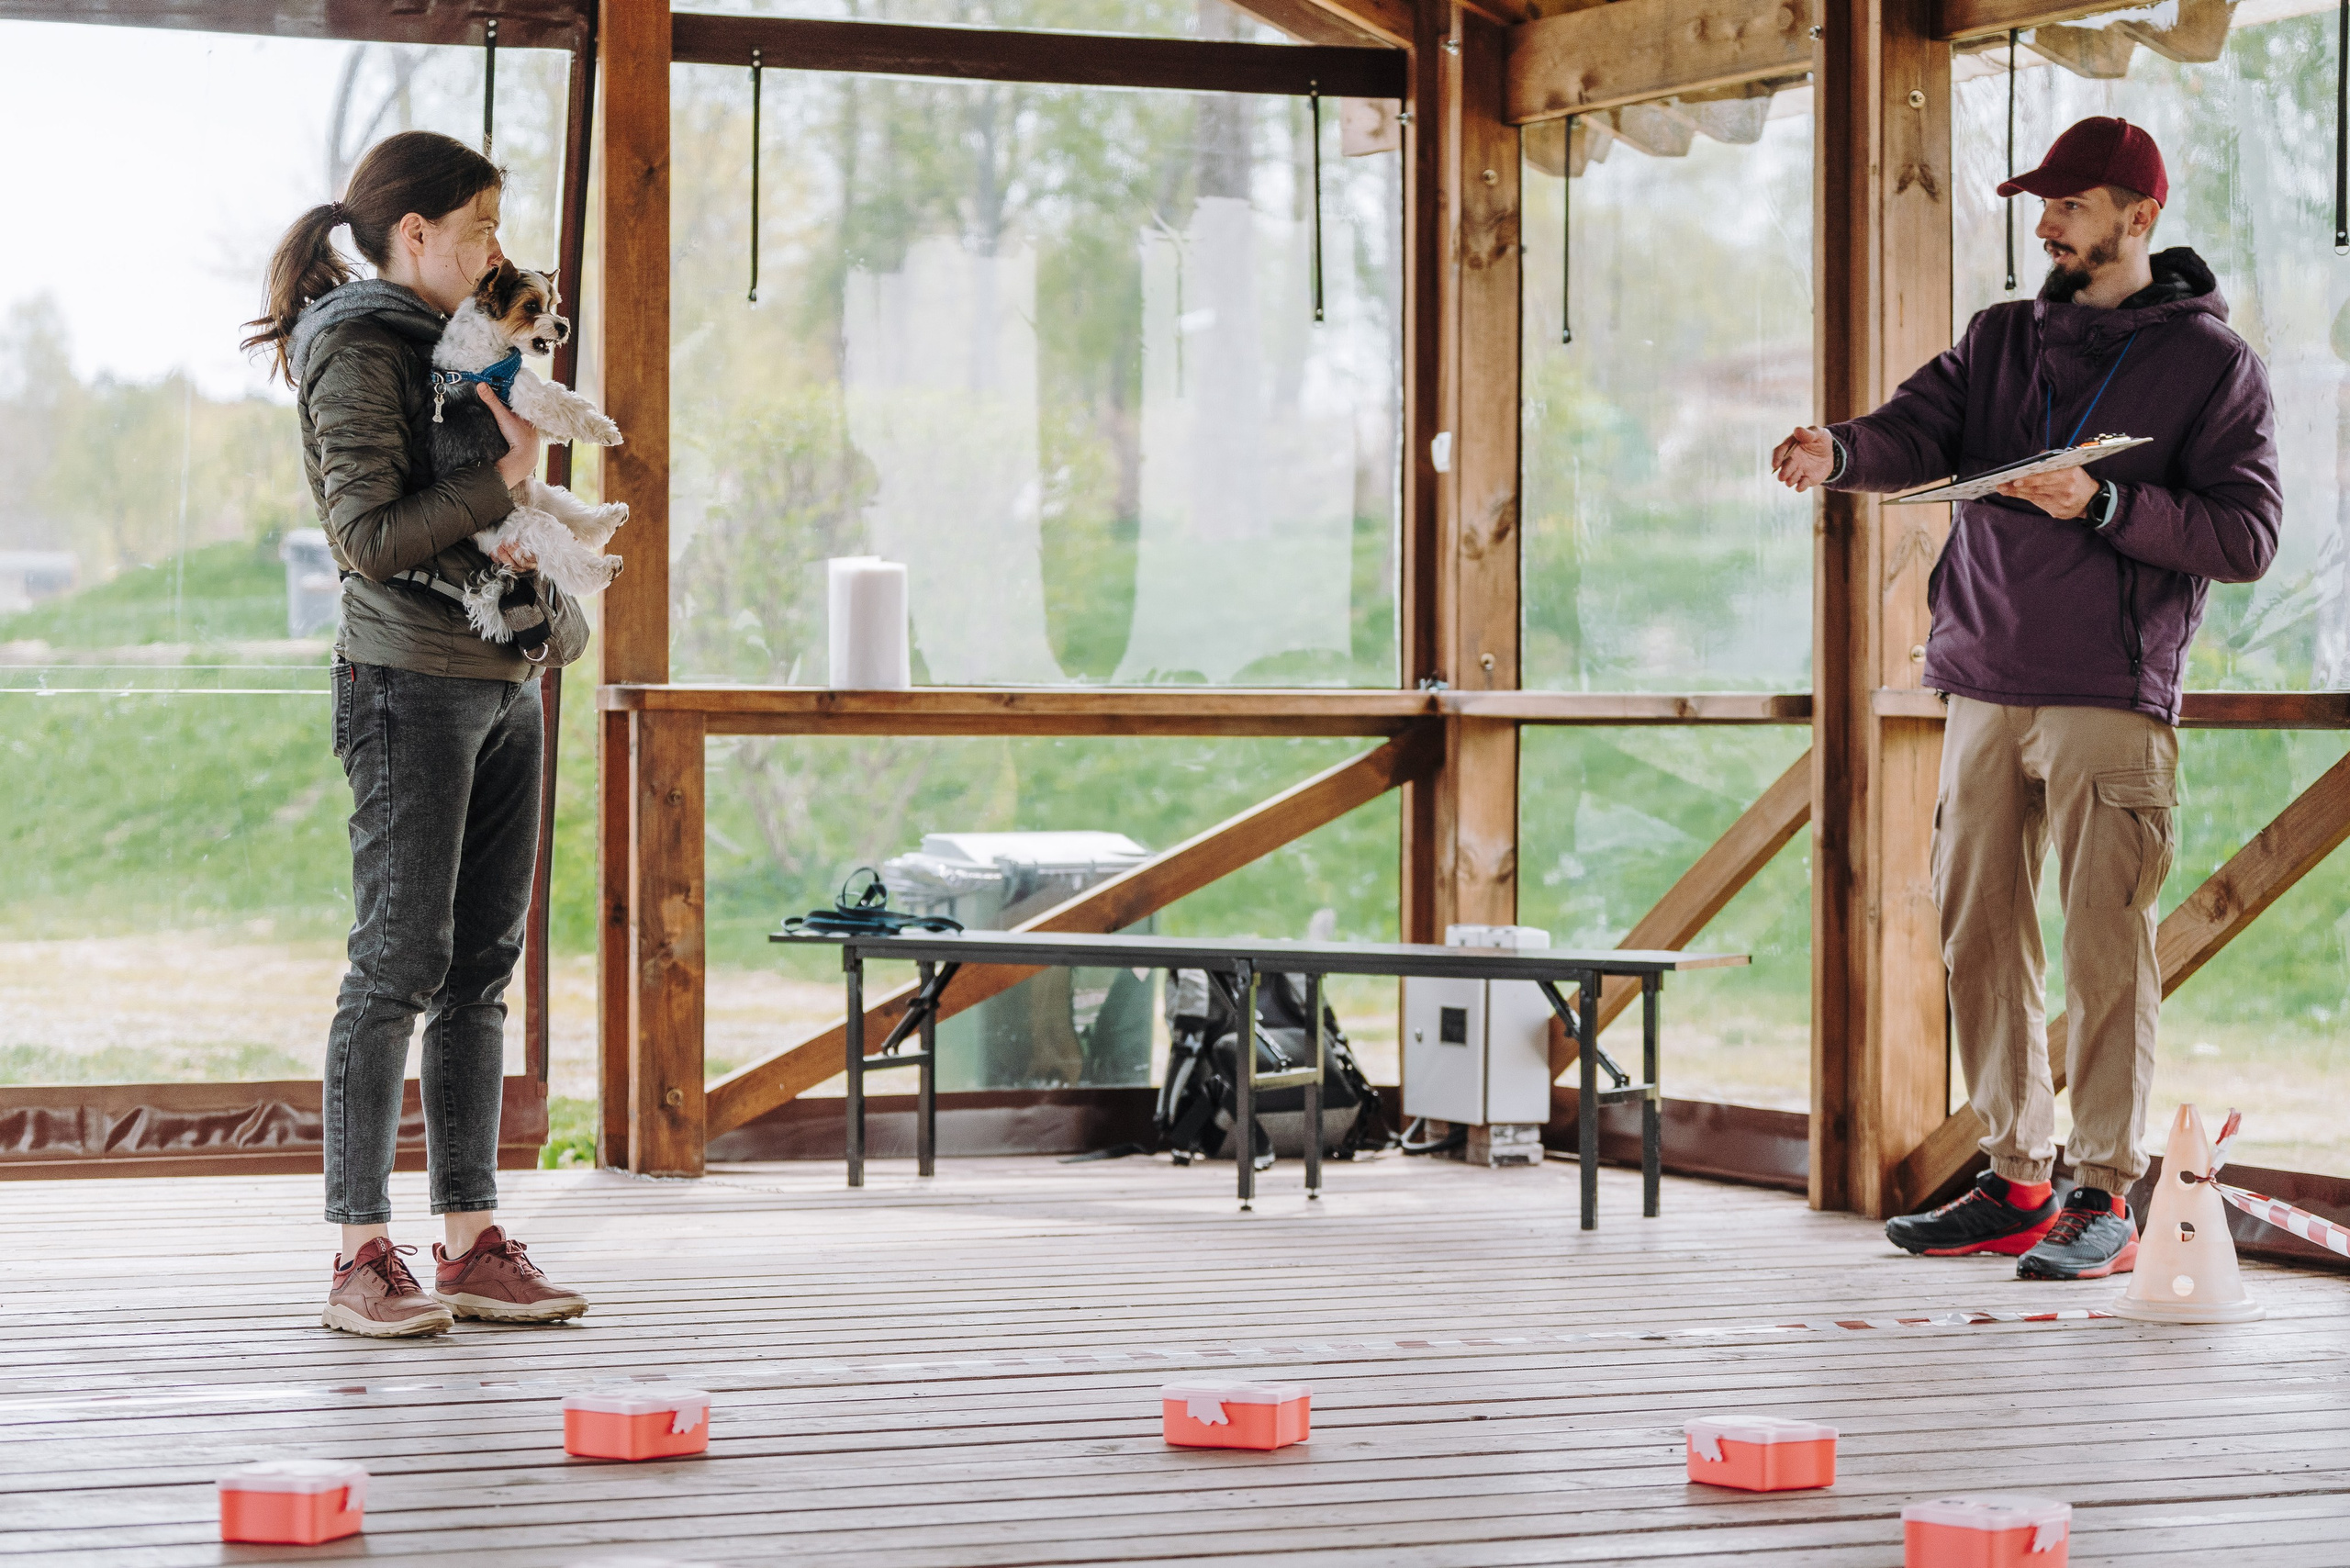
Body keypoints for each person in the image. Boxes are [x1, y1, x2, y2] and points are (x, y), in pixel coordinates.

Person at [1770, 118, 2281, 1280]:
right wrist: (1837, 451)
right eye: (2039, 204)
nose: (2044, 224)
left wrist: (2103, 505)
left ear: (2139, 218)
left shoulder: (2214, 365)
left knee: (2106, 944)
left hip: (2110, 691)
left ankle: (2103, 1193)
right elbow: (1916, 430)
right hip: (1980, 679)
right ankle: (2014, 1178)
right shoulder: (1999, 336)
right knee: (1978, 935)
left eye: (2069, 205)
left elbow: (2245, 535)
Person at [244, 130, 590, 1336]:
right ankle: (359, 1255)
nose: (498, 248)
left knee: (481, 971)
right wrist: (506, 476)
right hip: (406, 683)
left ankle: (471, 1242)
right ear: (415, 234)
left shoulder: (461, 343)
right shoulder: (355, 347)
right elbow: (367, 539)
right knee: (397, 966)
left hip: (505, 679)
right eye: (481, 226)